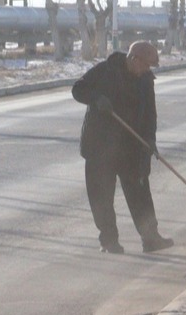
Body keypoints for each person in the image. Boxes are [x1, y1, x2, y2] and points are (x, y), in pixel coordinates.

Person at [72, 40, 174, 254]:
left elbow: (150, 114)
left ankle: (150, 238)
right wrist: (97, 99)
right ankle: (109, 241)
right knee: (101, 196)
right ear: (133, 59)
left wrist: (150, 139)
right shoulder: (105, 71)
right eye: (145, 65)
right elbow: (78, 89)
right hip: (100, 146)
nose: (147, 70)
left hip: (131, 146)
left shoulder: (145, 79)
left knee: (140, 194)